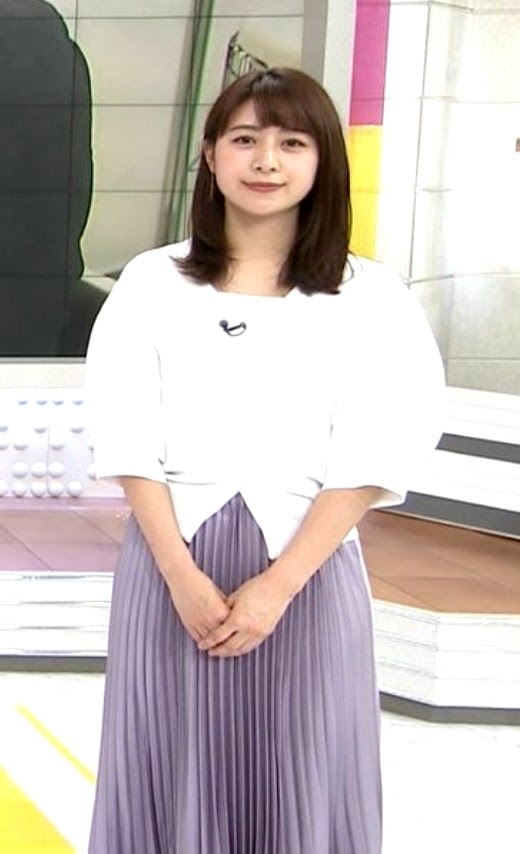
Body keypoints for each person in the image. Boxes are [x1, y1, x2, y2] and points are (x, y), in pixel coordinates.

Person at [85, 67, 445, 854]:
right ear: (210, 154)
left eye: (292, 143)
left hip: (309, 571)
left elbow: (376, 449)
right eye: (245, 139)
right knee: (166, 757)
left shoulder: (372, 297)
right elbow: (124, 432)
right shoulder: (150, 283)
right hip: (170, 568)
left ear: (323, 162)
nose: (266, 161)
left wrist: (277, 588)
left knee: (304, 764)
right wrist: (180, 577)